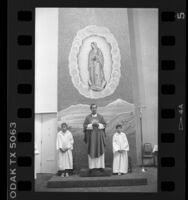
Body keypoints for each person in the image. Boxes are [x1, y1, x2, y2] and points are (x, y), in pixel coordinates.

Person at [83, 103, 107, 172]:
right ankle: (92, 167)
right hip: (91, 138)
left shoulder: (101, 117)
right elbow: (85, 126)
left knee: (100, 149)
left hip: (99, 137)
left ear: (97, 108)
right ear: (91, 109)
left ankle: (100, 166)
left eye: (95, 108)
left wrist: (98, 124)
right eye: (92, 108)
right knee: (92, 150)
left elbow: (104, 125)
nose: (94, 109)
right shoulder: (88, 117)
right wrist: (91, 124)